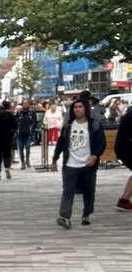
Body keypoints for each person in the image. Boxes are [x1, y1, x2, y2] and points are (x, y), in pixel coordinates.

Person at [52, 96, 106, 228]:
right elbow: (61, 142)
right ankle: (65, 217)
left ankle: (86, 213)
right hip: (70, 164)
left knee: (89, 191)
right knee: (68, 191)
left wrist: (94, 156)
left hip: (88, 164)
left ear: (86, 108)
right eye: (75, 107)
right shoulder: (68, 126)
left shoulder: (94, 124)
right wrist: (55, 158)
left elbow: (101, 143)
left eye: (80, 106)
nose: (77, 109)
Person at [0, 100, 17, 180]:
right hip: (8, 139)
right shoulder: (11, 115)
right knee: (7, 154)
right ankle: (7, 168)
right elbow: (15, 127)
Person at [115, 105, 132, 211]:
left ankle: (124, 200)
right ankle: (124, 200)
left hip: (124, 148)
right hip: (127, 148)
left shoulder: (129, 114)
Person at [15, 101, 37, 169]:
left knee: (28, 147)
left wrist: (31, 129)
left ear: (28, 104)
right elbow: (15, 122)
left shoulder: (31, 112)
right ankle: (23, 162)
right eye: (24, 103)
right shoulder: (18, 113)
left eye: (26, 103)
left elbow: (34, 121)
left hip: (28, 133)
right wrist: (16, 130)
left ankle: (27, 160)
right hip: (20, 134)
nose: (25, 105)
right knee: (21, 149)